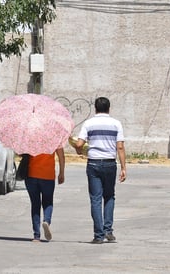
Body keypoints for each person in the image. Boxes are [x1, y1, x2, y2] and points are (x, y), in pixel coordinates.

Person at [73, 97, 126, 244]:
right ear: (109, 108)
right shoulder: (116, 124)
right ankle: (108, 230)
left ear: (95, 108)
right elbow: (120, 147)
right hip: (110, 163)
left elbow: (79, 143)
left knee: (95, 199)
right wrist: (123, 168)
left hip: (93, 164)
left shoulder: (88, 123)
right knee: (109, 197)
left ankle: (98, 235)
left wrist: (78, 149)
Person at [25, 148, 65, 242]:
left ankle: (36, 236)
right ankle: (46, 221)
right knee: (48, 202)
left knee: (35, 204)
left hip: (32, 174)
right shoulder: (55, 137)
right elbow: (61, 156)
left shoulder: (30, 136)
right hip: (48, 175)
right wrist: (61, 173)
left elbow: (21, 153)